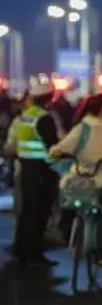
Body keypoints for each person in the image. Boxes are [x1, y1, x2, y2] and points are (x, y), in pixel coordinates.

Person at [48, 93, 102, 265]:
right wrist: (57, 151)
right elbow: (66, 144)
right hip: (81, 173)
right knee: (67, 197)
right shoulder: (84, 127)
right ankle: (65, 231)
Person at [3, 84, 62, 266]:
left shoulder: (23, 117)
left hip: (26, 168)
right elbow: (53, 146)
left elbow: (13, 145)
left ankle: (21, 250)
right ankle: (35, 252)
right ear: (48, 98)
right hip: (42, 170)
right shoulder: (44, 118)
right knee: (40, 212)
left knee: (26, 211)